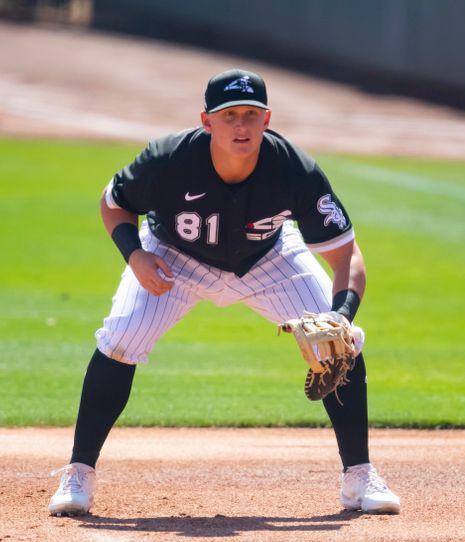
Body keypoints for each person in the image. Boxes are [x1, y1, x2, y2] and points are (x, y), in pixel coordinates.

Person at [48, 69, 401, 516]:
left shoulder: (295, 170)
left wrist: (343, 316)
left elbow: (347, 257)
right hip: (175, 258)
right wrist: (135, 255)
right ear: (206, 121)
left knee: (336, 344)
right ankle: (78, 473)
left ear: (267, 119)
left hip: (268, 258)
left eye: (251, 115)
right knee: (121, 339)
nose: (241, 126)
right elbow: (113, 202)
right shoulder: (168, 159)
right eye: (229, 115)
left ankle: (359, 477)